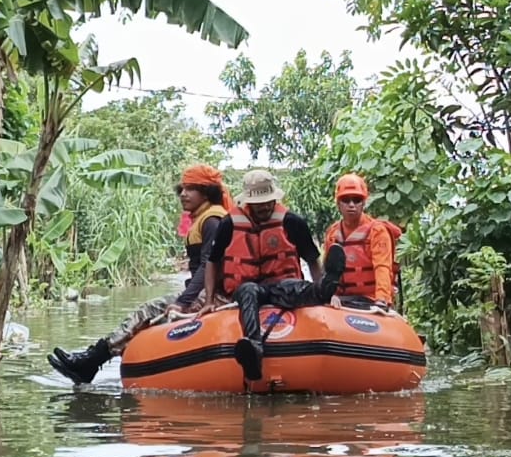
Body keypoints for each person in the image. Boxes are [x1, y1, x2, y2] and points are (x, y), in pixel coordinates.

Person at [47, 164, 235, 385]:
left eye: (191, 189)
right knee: (149, 313)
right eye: (182, 189)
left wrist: (183, 302)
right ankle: (91, 360)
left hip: (214, 295)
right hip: (203, 291)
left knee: (147, 311)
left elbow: (208, 266)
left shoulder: (212, 220)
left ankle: (92, 360)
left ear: (206, 192)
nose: (183, 194)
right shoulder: (204, 218)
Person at [204, 169, 346, 382]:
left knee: (294, 287)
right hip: (248, 287)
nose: (264, 207)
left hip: (281, 285)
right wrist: (209, 300)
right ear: (249, 202)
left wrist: (327, 294)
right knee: (248, 291)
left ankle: (324, 289)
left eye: (267, 202)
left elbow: (311, 260)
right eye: (258, 203)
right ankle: (254, 349)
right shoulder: (229, 223)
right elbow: (212, 261)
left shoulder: (291, 221)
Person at [321, 173, 402, 310]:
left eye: (357, 200)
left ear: (363, 203)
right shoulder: (333, 233)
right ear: (338, 203)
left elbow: (382, 267)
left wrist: (381, 300)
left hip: (372, 299)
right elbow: (329, 271)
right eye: (346, 200)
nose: (351, 205)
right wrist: (330, 295)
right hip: (341, 300)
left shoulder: (377, 231)